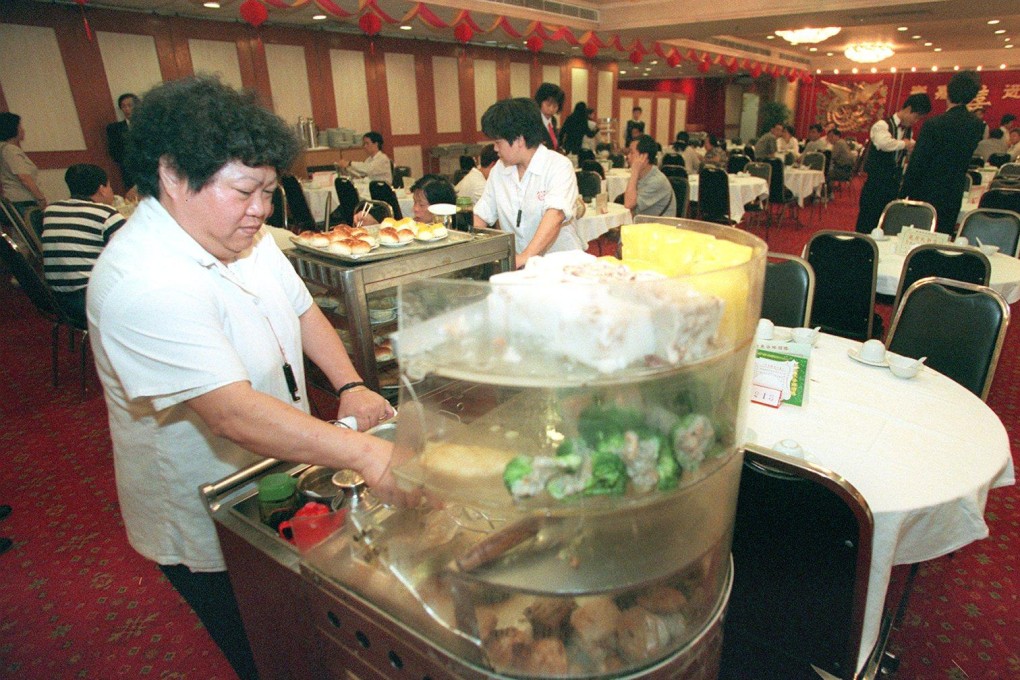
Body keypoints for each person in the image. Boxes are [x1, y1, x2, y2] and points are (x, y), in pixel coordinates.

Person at [86, 76, 401, 680]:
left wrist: (351, 384)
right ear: (174, 176)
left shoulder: (240, 235)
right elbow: (230, 412)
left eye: (269, 190)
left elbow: (303, 309)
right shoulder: (144, 279)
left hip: (275, 465)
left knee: (314, 628)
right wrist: (365, 453)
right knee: (268, 647)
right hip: (205, 499)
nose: (260, 208)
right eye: (243, 190)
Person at [473, 97, 582, 269]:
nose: (495, 149)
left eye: (498, 142)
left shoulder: (558, 166)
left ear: (519, 140)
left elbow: (554, 215)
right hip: (521, 267)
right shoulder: (499, 171)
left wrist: (525, 257)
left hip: (561, 266)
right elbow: (481, 215)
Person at [901, 72, 985, 235]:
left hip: (926, 192)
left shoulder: (933, 124)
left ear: (948, 92)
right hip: (953, 191)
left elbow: (918, 163)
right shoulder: (976, 125)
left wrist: (904, 193)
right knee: (942, 237)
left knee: (917, 238)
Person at [41, 164, 126, 324]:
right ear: (102, 189)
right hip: (91, 301)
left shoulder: (51, 210)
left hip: (57, 299)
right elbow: (133, 256)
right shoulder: (107, 215)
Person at [854, 93, 932, 233]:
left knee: (887, 225)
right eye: (916, 117)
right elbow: (883, 143)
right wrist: (905, 144)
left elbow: (903, 150)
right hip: (875, 184)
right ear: (908, 109)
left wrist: (908, 151)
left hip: (893, 185)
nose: (916, 121)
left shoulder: (908, 131)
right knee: (867, 224)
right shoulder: (882, 125)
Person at [0, 112, 47, 218]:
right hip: (23, 201)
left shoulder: (2, 148)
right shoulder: (10, 150)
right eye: (20, 126)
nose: (23, 130)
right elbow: (24, 177)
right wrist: (41, 198)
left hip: (12, 200)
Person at [623, 134, 676, 218]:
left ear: (644, 157)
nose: (627, 156)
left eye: (632, 153)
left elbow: (628, 205)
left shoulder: (657, 181)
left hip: (659, 228)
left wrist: (634, 171)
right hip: (642, 225)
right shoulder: (643, 175)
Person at [106, 93, 139, 190]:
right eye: (123, 106)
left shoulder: (148, 125)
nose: (127, 109)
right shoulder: (114, 128)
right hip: (128, 171)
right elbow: (114, 152)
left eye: (130, 105)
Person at [534, 83, 564, 151]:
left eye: (555, 106)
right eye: (548, 105)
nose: (551, 109)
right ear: (540, 101)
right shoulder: (534, 120)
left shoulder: (553, 120)